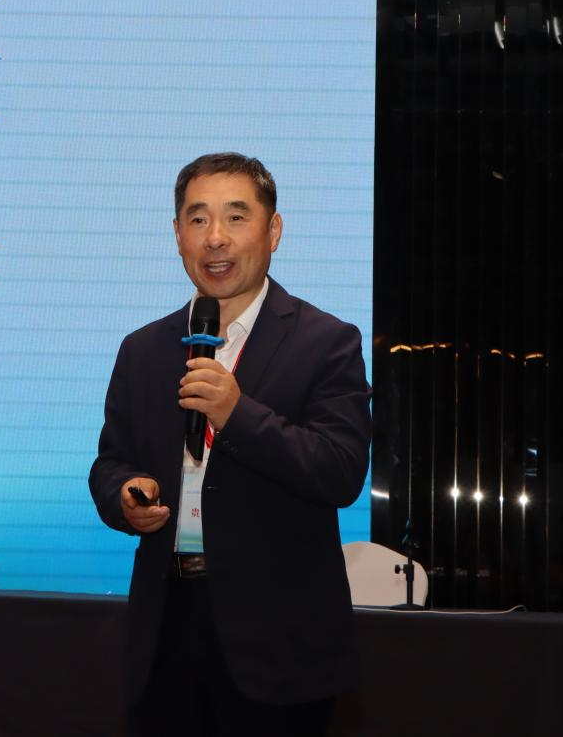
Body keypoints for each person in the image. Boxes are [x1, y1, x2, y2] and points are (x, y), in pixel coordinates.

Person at [88, 152, 373, 737]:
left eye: (236, 217)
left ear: (273, 231)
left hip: (279, 643)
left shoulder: (326, 342)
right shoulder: (143, 349)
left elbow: (340, 471)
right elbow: (111, 461)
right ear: (177, 235)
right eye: (198, 219)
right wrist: (125, 494)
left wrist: (237, 414)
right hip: (166, 630)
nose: (215, 237)